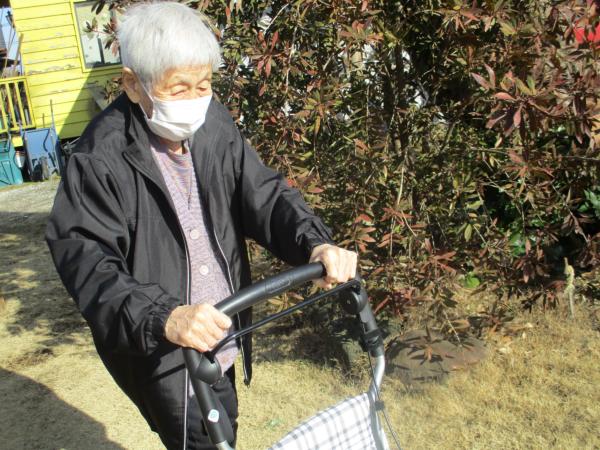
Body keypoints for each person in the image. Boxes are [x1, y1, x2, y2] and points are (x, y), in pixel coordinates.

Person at [45, 2, 357, 449]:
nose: (194, 100)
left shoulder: (213, 124)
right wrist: (164, 316)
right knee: (202, 438)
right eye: (178, 88)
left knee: (225, 426)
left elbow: (263, 193)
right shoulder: (100, 159)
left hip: (223, 329)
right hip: (167, 351)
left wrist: (315, 243)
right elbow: (87, 262)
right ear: (133, 84)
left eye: (204, 85)